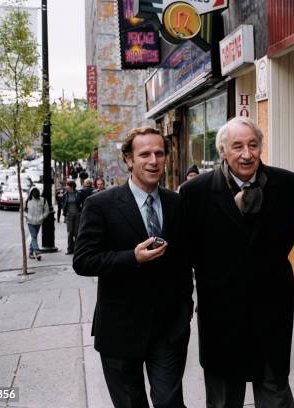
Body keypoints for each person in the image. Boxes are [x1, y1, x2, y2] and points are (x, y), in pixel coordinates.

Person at [180, 117, 294, 408]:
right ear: (223, 151)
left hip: (271, 309)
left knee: (274, 392)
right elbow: (193, 252)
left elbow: (284, 241)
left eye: (253, 145)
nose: (247, 153)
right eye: (237, 146)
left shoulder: (285, 183)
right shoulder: (195, 192)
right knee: (223, 398)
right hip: (221, 312)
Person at [73, 126, 193, 408]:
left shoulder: (177, 203)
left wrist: (184, 311)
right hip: (120, 331)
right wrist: (132, 258)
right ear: (129, 159)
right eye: (145, 154)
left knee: (170, 402)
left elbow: (185, 259)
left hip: (168, 330)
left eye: (159, 153)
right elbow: (83, 261)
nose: (153, 161)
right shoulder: (100, 204)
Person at [25, 187, 51, 261]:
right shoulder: (28, 201)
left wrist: (42, 217)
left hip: (39, 222)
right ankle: (37, 252)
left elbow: (47, 211)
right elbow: (23, 210)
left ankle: (30, 253)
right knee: (33, 236)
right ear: (32, 194)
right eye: (34, 194)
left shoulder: (43, 200)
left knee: (34, 237)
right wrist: (26, 216)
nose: (35, 195)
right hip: (30, 222)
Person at [62, 180, 82, 255]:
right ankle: (70, 249)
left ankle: (77, 249)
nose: (66, 187)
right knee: (70, 233)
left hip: (77, 215)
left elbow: (82, 202)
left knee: (77, 233)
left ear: (71, 186)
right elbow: (63, 204)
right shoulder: (65, 194)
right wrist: (65, 213)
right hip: (69, 215)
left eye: (67, 185)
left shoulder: (78, 194)